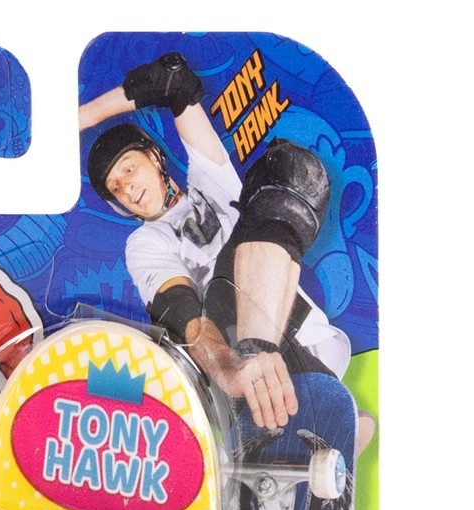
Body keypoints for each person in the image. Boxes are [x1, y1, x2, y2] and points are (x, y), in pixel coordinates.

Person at [81, 53, 371, 451]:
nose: (127, 188)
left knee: (287, 167)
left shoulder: (211, 182)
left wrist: (78, 119)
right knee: (209, 296)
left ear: (154, 158)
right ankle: (270, 394)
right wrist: (227, 368)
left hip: (305, 340)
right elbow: (182, 312)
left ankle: (311, 418)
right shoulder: (145, 242)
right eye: (116, 188)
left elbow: (175, 82)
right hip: (228, 360)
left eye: (129, 169)